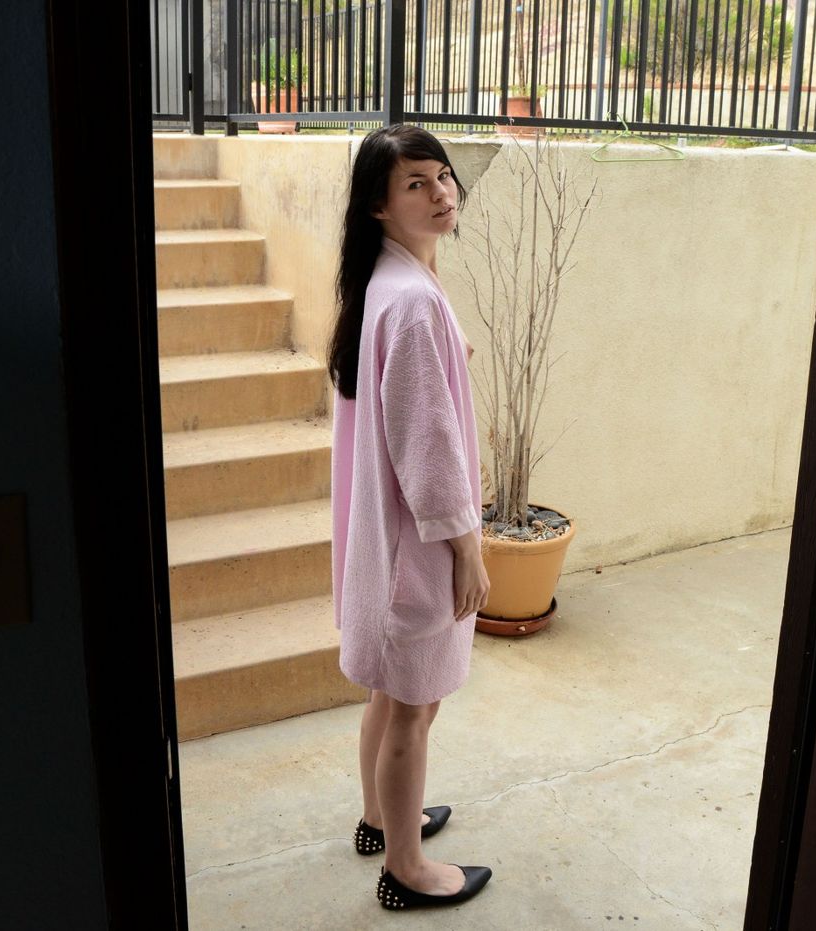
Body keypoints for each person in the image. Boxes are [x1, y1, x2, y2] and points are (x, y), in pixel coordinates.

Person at [326, 124, 493, 910]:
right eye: (416, 184)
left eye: (443, 176)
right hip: (417, 544)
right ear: (379, 206)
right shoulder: (414, 301)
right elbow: (427, 449)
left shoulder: (386, 283)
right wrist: (469, 548)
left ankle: (376, 820)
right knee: (414, 709)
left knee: (390, 695)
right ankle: (405, 868)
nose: (440, 193)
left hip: (387, 538)